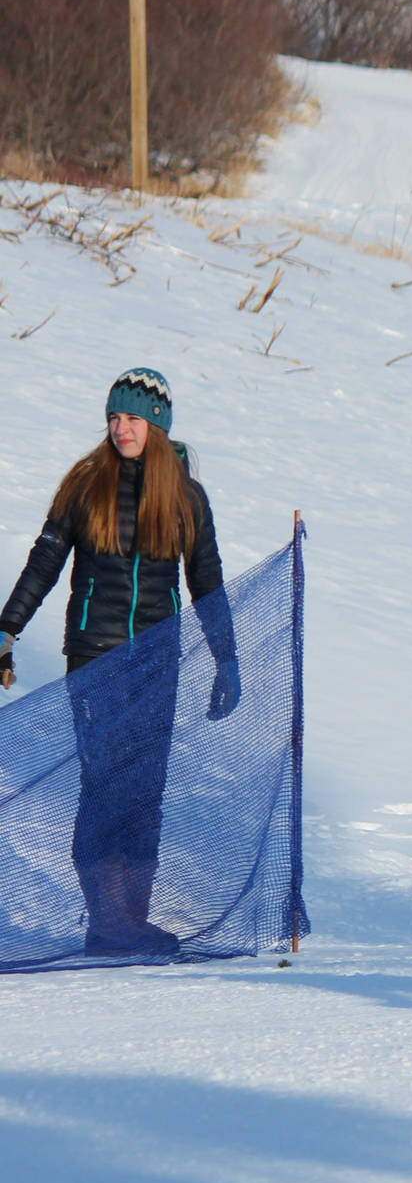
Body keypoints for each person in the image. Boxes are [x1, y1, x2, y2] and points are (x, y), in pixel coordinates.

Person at [0, 369, 238, 955]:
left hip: (157, 663)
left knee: (145, 791)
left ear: (157, 425)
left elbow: (207, 582)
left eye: (132, 418)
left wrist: (226, 659)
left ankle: (130, 917)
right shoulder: (86, 485)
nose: (120, 428)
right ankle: (107, 920)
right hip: (94, 661)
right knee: (104, 787)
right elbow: (44, 563)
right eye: (113, 417)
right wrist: (6, 629)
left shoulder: (185, 497)